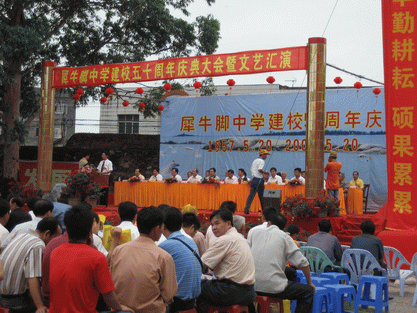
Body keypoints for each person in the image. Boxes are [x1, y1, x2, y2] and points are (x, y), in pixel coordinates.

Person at [48, 207, 131, 313]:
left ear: (66, 229)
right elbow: (108, 295)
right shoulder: (97, 257)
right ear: (91, 227)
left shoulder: (55, 252)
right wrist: (120, 307)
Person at [110, 206, 178, 312]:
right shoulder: (163, 257)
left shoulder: (118, 250)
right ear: (156, 229)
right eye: (162, 227)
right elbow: (168, 295)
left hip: (121, 310)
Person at [250, 209, 315, 313]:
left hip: (251, 285)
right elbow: (303, 263)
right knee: (308, 292)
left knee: (288, 273)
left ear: (269, 223)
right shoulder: (285, 237)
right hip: (272, 287)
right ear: (284, 227)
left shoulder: (254, 232)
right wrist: (309, 282)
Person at [197, 209, 257, 313]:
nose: (214, 228)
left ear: (228, 223)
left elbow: (201, 265)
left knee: (196, 286)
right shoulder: (239, 237)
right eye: (212, 225)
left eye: (217, 223)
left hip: (231, 291)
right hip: (249, 292)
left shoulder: (225, 239)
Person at [0, 217, 62, 313]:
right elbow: (32, 278)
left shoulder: (23, 235)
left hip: (3, 294)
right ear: (47, 233)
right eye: (55, 238)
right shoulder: (38, 245)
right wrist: (40, 306)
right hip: (15, 300)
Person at [159, 207, 202, 313]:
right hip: (193, 300)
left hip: (176, 302)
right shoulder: (190, 241)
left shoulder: (165, 245)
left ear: (163, 226)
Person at [244, 149, 270, 214]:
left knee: (251, 195)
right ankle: (264, 211)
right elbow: (259, 170)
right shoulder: (262, 161)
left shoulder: (255, 160)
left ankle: (246, 209)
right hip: (259, 180)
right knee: (261, 196)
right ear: (262, 155)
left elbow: (252, 169)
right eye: (265, 155)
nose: (266, 156)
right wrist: (265, 173)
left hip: (254, 179)